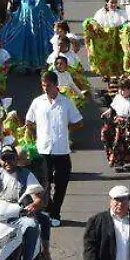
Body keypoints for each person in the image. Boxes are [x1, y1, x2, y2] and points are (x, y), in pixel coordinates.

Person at [25, 72, 83, 226]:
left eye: (48, 85)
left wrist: (66, 130)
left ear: (56, 85)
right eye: (43, 85)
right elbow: (29, 121)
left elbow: (79, 122)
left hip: (61, 149)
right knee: (43, 183)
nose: (45, 88)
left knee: (61, 183)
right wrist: (37, 134)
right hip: (43, 149)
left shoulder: (66, 102)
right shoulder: (38, 102)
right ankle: (48, 208)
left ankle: (56, 212)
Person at [1, 0, 60, 72]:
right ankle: (25, 64)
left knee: (45, 39)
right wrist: (9, 6)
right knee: (21, 38)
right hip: (24, 17)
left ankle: (41, 64)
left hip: (41, 17)